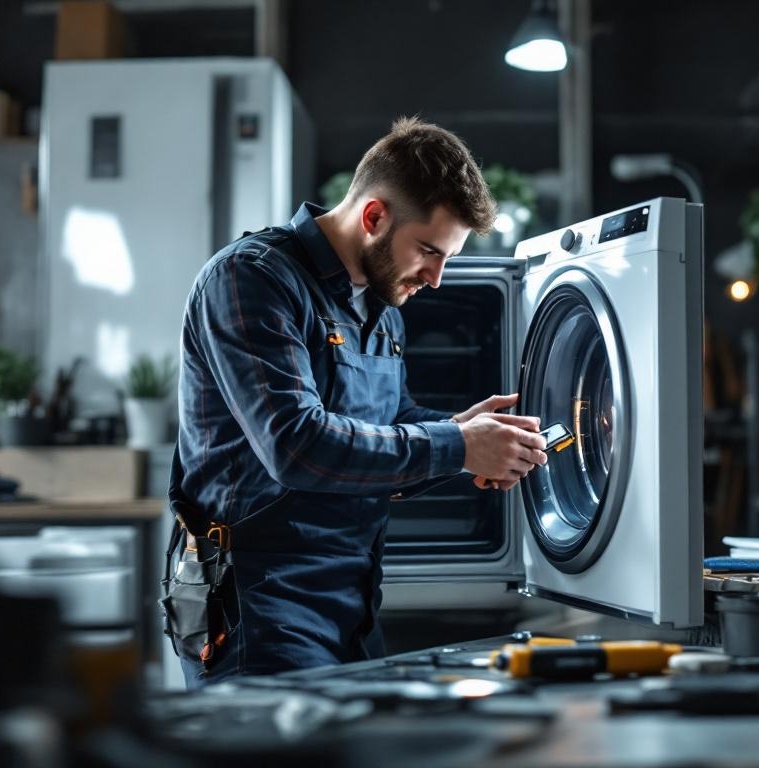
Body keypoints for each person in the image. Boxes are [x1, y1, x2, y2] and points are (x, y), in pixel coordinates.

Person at [173, 117, 547, 688]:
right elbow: (296, 445)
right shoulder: (252, 279)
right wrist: (456, 445)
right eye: (428, 250)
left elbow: (389, 425)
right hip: (257, 610)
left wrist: (468, 433)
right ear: (373, 217)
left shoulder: (380, 305)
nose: (437, 278)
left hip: (351, 606)